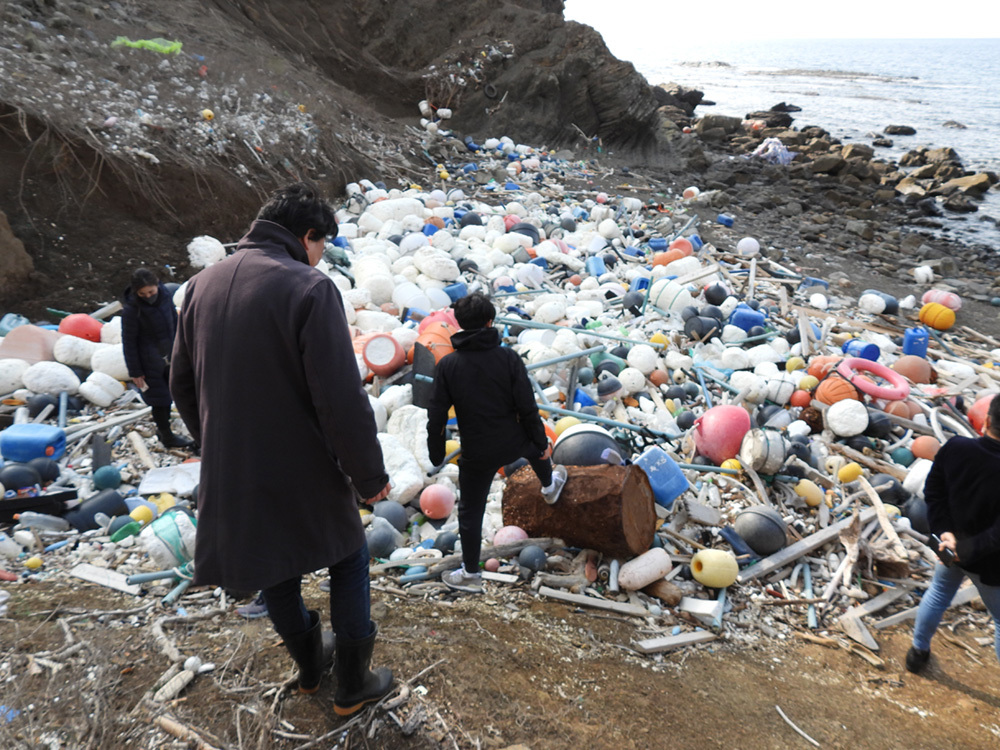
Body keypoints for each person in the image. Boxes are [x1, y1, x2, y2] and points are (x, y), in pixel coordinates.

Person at [170, 182, 394, 716]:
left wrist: (216, 442)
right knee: (348, 555)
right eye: (322, 244)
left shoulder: (201, 285)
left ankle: (311, 670)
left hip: (234, 465)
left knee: (276, 566)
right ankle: (352, 684)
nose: (320, 256)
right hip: (303, 461)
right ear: (307, 235)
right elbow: (339, 399)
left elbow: (179, 382)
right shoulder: (307, 287)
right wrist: (368, 477)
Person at [426, 292, 566, 593]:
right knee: (536, 451)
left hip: (477, 451)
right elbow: (527, 407)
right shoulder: (508, 358)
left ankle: (471, 574)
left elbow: (436, 414)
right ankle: (549, 486)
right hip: (514, 440)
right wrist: (541, 441)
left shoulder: (449, 365)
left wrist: (436, 453)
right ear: (491, 322)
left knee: (470, 512)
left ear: (458, 324)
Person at [906, 395, 1000, 674]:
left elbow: (934, 492)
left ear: (987, 421)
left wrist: (944, 534)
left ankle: (917, 653)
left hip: (948, 547)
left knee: (937, 594)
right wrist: (967, 548)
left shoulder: (956, 447)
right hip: (990, 564)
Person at [121, 268, 194, 449]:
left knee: (182, 392)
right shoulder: (132, 310)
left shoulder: (165, 296)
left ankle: (194, 431)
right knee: (160, 401)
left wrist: (183, 348)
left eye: (151, 292)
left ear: (157, 286)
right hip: (149, 363)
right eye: (142, 294)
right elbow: (129, 342)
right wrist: (135, 371)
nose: (148, 296)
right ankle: (166, 436)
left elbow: (176, 323)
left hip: (171, 355)